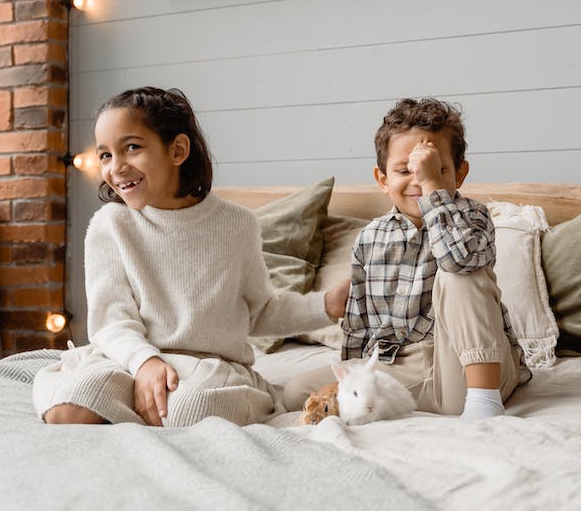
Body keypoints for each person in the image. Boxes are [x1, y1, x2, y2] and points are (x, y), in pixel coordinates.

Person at [34, 86, 348, 427]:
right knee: (69, 408)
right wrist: (145, 363)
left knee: (186, 411)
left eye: (132, 148)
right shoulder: (110, 225)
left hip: (207, 367)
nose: (117, 167)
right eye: (106, 155)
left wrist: (326, 306)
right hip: (128, 357)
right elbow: (111, 323)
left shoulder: (237, 225)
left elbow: (257, 313)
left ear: (178, 150)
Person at [283, 98, 530, 421]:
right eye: (404, 171)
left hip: (464, 365)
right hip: (398, 367)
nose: (418, 180)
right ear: (382, 179)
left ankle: (484, 403)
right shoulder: (370, 237)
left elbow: (461, 259)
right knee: (296, 394)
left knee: (456, 272)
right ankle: (413, 404)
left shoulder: (472, 217)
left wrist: (432, 190)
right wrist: (355, 379)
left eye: (435, 169)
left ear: (460, 172)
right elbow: (360, 321)